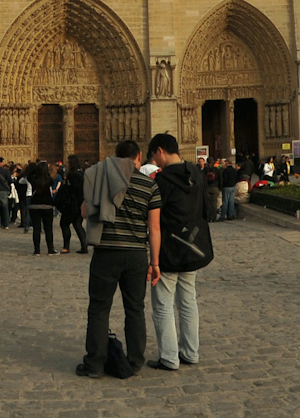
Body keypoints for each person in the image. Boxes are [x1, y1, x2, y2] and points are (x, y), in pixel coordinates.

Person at [78, 139, 162, 378]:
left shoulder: (100, 177)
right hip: (136, 254)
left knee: (99, 309)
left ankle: (94, 364)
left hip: (106, 252)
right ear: (139, 157)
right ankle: (135, 361)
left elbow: (85, 212)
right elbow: (154, 229)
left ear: (115, 157)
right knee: (135, 308)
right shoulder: (149, 185)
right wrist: (154, 263)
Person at [147, 133, 212, 372]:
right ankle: (190, 352)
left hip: (169, 250)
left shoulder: (161, 182)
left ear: (160, 151)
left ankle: (169, 358)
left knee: (163, 304)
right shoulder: (196, 173)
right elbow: (207, 210)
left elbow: (154, 222)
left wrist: (153, 259)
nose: (155, 161)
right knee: (188, 301)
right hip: (193, 248)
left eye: (154, 156)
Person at [27, 160, 57, 254]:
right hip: (47, 206)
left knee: (36, 229)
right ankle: (50, 249)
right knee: (48, 229)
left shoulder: (33, 180)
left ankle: (37, 250)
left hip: (34, 205)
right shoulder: (49, 180)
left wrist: (36, 168)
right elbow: (52, 178)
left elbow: (28, 175)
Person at [59, 156, 88, 253]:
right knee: (77, 224)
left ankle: (66, 247)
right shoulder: (81, 174)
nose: (66, 164)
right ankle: (84, 247)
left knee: (64, 224)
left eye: (67, 162)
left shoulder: (73, 175)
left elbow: (73, 190)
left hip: (72, 205)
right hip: (80, 203)